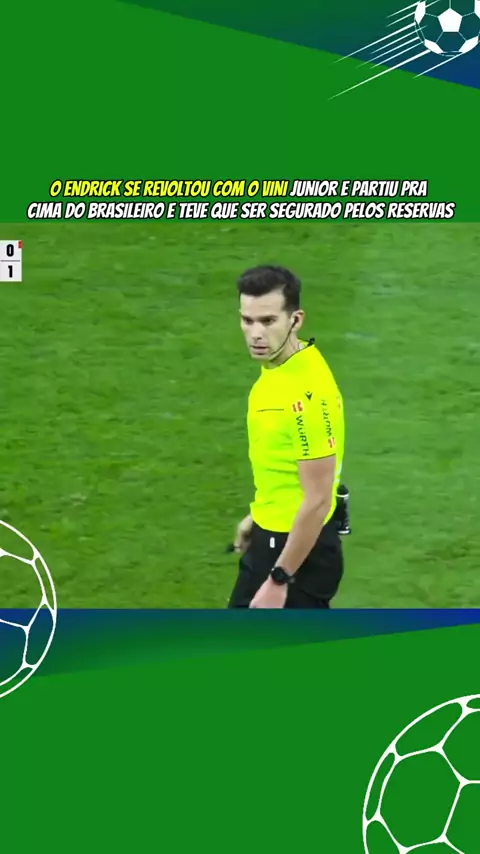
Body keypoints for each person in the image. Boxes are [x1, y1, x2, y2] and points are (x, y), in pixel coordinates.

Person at [227, 265, 347, 609]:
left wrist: (279, 579)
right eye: (247, 320)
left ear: (296, 320)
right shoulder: (281, 368)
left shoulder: (306, 392)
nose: (256, 334)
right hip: (275, 535)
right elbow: (285, 466)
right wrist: (259, 516)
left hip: (296, 556)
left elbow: (318, 499)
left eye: (268, 321)